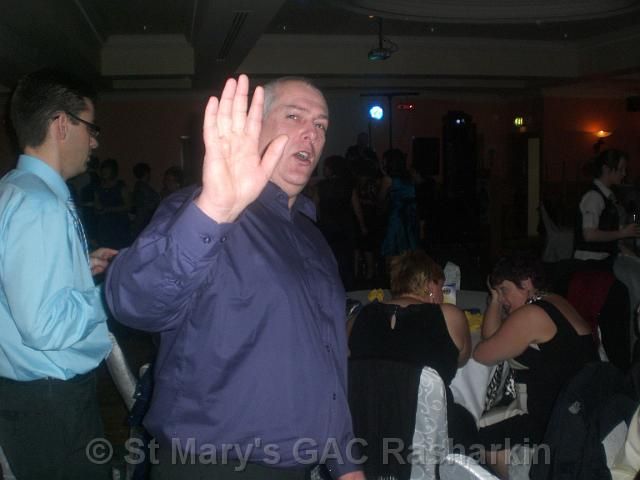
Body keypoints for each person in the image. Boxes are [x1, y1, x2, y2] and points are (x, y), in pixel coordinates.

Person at [105, 75, 364, 480]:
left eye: (321, 125)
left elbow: (326, 358)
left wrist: (345, 461)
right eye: (294, 116)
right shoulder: (200, 210)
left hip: (298, 465)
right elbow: (135, 304)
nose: (311, 133)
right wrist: (215, 209)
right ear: (253, 127)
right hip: (214, 464)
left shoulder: (311, 237)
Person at [0, 68, 117, 479]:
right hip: (51, 403)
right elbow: (45, 326)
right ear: (62, 124)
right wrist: (113, 292)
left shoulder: (14, 188)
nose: (95, 141)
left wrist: (80, 268)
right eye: (91, 128)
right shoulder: (39, 205)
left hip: (32, 397)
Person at [474, 252, 597, 479]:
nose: (503, 299)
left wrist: (495, 302)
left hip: (551, 418)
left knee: (479, 428)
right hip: (575, 409)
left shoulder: (531, 314)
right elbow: (492, 337)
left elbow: (483, 354)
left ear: (527, 282)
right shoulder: (556, 301)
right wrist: (496, 298)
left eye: (504, 290)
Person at [348, 250, 478, 449]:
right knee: (468, 422)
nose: (442, 296)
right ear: (430, 286)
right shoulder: (449, 315)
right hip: (428, 431)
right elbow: (462, 359)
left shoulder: (359, 317)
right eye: (441, 288)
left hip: (367, 427)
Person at [574, 148, 640, 263]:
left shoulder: (608, 196)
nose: (624, 174)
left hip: (604, 260)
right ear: (606, 169)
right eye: (621, 169)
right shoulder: (594, 196)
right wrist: (622, 233)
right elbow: (589, 235)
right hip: (590, 262)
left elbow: (611, 239)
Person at [379, 148, 419, 261]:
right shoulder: (410, 176)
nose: (382, 163)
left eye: (384, 161)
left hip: (397, 217)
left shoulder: (388, 179)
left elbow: (380, 199)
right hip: (411, 215)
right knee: (410, 248)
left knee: (393, 250)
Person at [95, 157, 131, 248]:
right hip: (104, 224)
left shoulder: (121, 186)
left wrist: (108, 209)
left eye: (107, 170)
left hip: (119, 224)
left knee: (119, 249)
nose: (104, 172)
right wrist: (98, 209)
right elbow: (97, 205)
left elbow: (128, 206)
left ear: (113, 171)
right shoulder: (99, 188)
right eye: (103, 170)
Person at [131, 162, 160, 237]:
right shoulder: (143, 188)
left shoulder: (139, 186)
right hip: (143, 219)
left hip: (141, 218)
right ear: (146, 173)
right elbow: (149, 204)